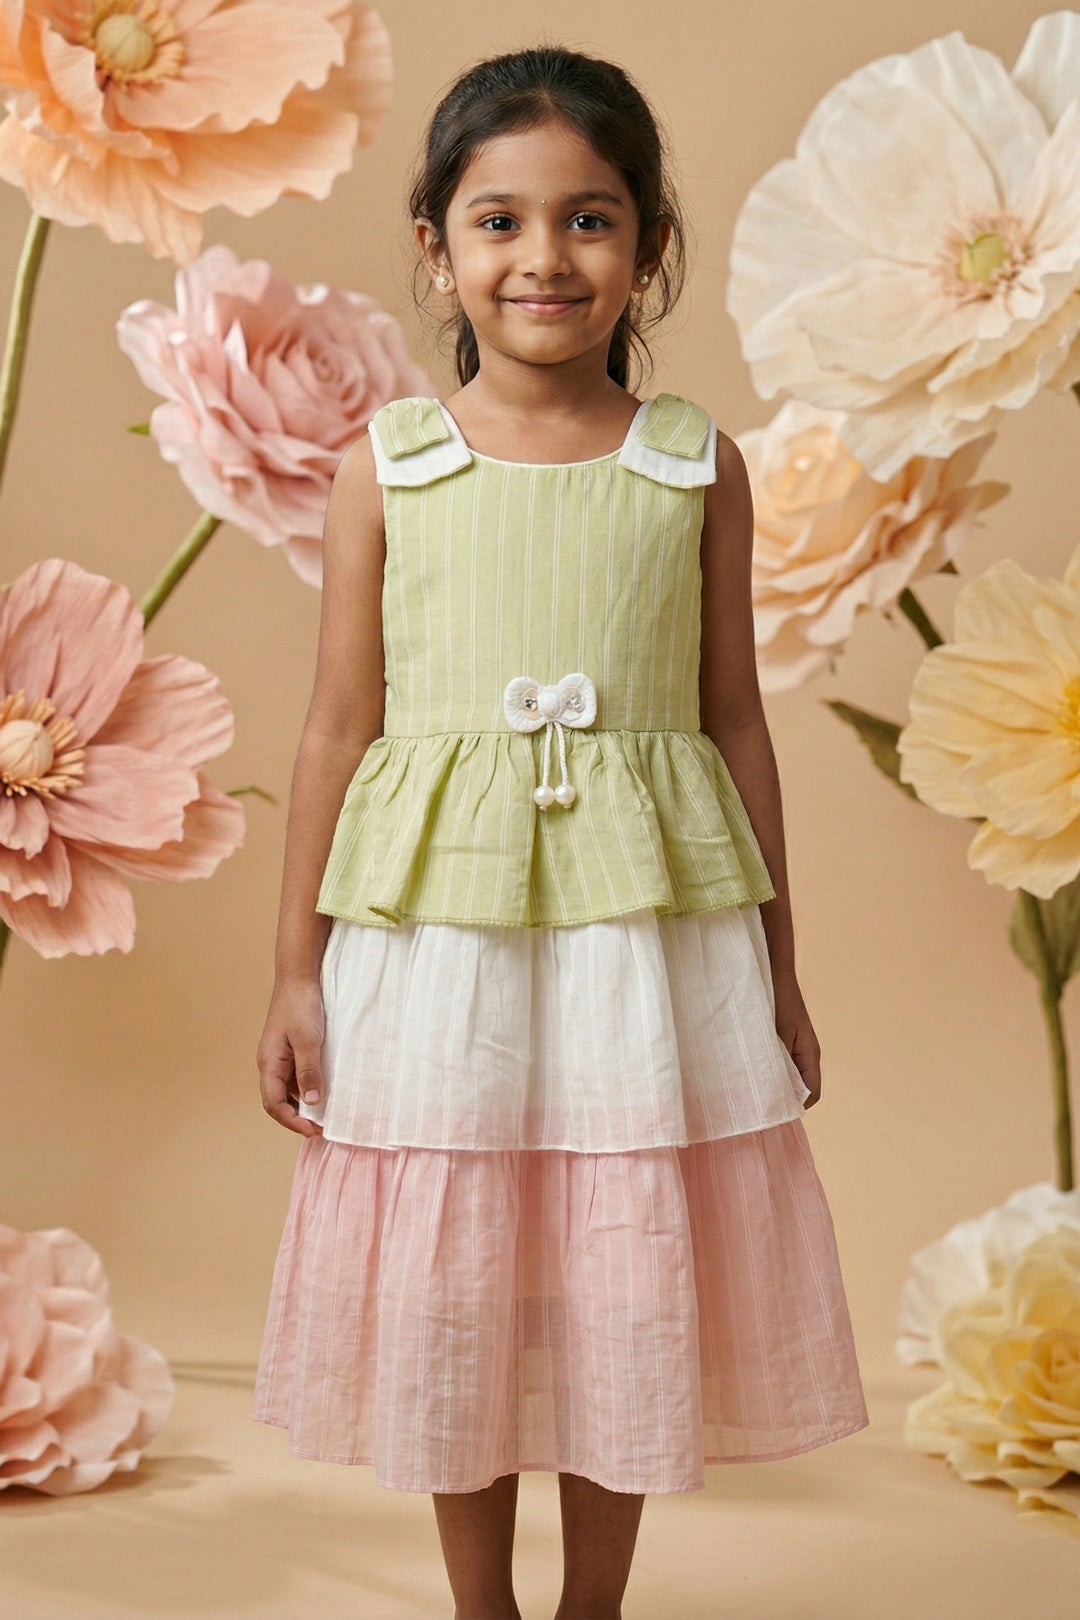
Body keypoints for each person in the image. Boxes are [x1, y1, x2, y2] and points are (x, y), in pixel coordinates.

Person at [252, 43, 869, 1620]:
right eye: (501, 220)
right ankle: (484, 1611)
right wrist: (296, 975)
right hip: (438, 940)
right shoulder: (388, 470)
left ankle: (594, 1609)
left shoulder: (693, 464)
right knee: (460, 1278)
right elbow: (337, 728)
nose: (545, 257)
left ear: (648, 244)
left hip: (641, 941)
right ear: (436, 246)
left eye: (590, 218)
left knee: (620, 1273)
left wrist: (781, 964)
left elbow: (737, 724)